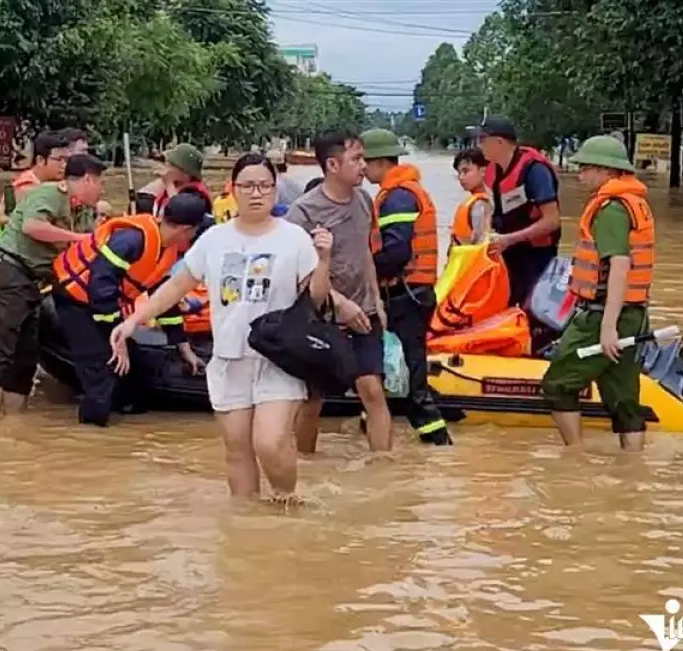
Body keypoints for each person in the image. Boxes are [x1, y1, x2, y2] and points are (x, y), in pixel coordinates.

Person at [109, 153, 332, 500]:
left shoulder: (295, 239)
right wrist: (133, 321)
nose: (256, 193)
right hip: (229, 356)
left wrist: (325, 261)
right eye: (248, 186)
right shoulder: (214, 239)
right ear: (233, 189)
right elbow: (176, 285)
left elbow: (317, 298)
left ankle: (287, 504)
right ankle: (246, 528)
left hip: (279, 357)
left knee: (270, 442)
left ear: (275, 191)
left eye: (265, 186)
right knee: (238, 449)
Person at [52, 192, 209, 426]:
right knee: (101, 375)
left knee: (131, 375)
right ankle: (89, 438)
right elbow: (101, 286)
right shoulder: (132, 240)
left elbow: (163, 301)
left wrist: (183, 348)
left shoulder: (164, 250)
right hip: (75, 300)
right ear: (187, 230)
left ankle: (125, 436)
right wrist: (118, 338)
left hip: (102, 306)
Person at [540, 136, 655, 451]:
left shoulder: (611, 209)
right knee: (624, 400)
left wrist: (607, 326)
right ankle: (631, 472)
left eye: (585, 168)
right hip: (633, 315)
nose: (580, 175)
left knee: (557, 385)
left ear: (606, 170)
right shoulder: (635, 202)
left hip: (603, 315)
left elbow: (619, 265)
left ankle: (575, 458)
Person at [0, 154, 104, 423]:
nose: (101, 191)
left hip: (35, 282)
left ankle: (14, 422)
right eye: (100, 183)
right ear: (88, 180)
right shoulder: (50, 194)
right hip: (7, 271)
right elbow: (32, 226)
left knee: (25, 355)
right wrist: (78, 238)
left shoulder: (85, 211)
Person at [287, 131, 392, 455]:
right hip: (321, 317)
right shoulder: (303, 212)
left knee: (373, 391)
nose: (364, 165)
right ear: (332, 164)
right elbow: (298, 274)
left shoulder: (364, 201)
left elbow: (365, 254)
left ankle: (385, 469)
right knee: (312, 400)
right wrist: (340, 303)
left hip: (365, 313)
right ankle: (304, 464)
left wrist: (376, 300)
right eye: (357, 159)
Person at [359, 127, 451, 446]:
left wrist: (364, 269)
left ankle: (439, 443)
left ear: (380, 162)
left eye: (364, 161)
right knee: (387, 372)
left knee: (411, 381)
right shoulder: (401, 191)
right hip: (410, 293)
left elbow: (395, 252)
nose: (361, 168)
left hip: (406, 296)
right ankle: (372, 432)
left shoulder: (398, 197)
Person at [477, 116, 561, 306]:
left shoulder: (535, 171)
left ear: (499, 142)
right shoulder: (491, 171)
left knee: (532, 313)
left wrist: (510, 239)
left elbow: (552, 220)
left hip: (537, 256)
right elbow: (490, 210)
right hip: (506, 253)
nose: (478, 145)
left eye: (482, 139)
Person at [10, 132, 70, 205]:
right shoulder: (25, 188)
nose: (64, 165)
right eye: (59, 159)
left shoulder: (52, 183)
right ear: (40, 160)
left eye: (67, 160)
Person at [154, 143, 211, 216]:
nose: (166, 167)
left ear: (186, 173)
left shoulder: (197, 196)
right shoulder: (174, 188)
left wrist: (169, 184)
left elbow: (181, 213)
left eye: (171, 164)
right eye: (166, 163)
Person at [451, 147, 492, 246]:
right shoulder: (476, 201)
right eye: (459, 173)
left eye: (466, 171)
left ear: (483, 171)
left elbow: (481, 243)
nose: (461, 177)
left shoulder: (481, 204)